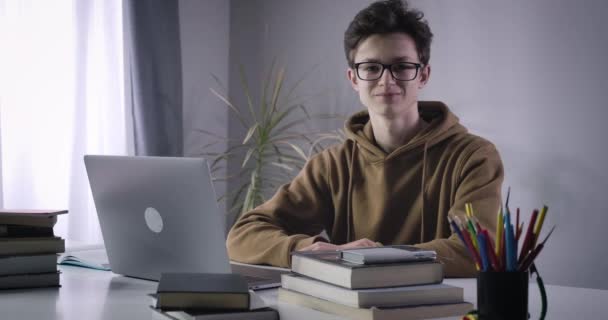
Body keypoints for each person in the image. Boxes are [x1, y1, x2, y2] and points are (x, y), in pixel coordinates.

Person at [226, 0, 503, 277]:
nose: (386, 80)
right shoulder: (332, 165)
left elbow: (474, 249)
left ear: (423, 75)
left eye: (402, 66)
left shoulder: (474, 156)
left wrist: (372, 258)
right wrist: (307, 249)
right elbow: (242, 235)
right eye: (371, 68)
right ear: (353, 79)